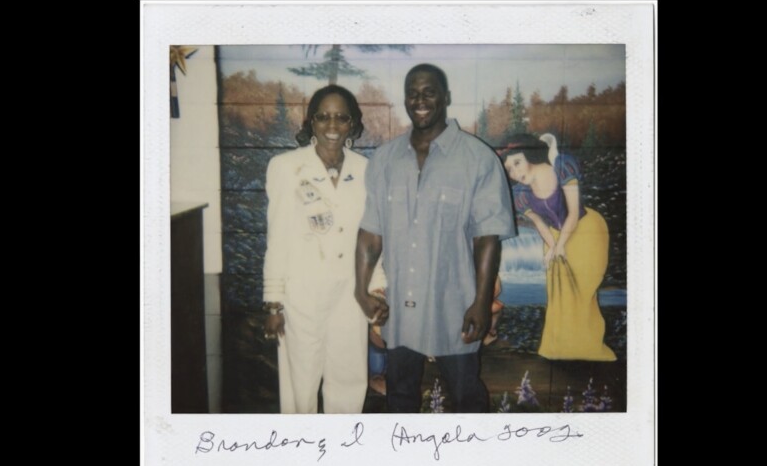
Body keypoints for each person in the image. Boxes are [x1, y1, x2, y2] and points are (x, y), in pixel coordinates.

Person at [355, 64, 516, 413]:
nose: (420, 100)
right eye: (413, 92)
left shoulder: (477, 159)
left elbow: (487, 238)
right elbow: (370, 233)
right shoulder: (384, 160)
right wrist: (360, 290)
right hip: (399, 311)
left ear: (446, 97)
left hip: (454, 306)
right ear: (405, 99)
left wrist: (480, 302)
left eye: (429, 91)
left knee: (466, 396)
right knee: (399, 396)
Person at [263, 85, 386, 413]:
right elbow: (277, 238)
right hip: (301, 294)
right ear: (311, 122)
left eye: (341, 117)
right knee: (300, 384)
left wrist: (376, 288)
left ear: (352, 123)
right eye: (323, 116)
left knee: (349, 380)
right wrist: (274, 304)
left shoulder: (365, 169)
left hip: (350, 292)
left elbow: (372, 235)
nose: (332, 125)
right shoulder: (285, 167)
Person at [501, 133, 616, 361]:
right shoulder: (520, 194)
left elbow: (573, 212)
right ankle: (561, 347)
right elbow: (540, 224)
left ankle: (589, 345)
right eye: (509, 169)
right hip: (553, 236)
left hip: (586, 230)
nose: (515, 172)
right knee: (560, 294)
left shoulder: (562, 166)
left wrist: (561, 245)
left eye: (517, 162)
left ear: (530, 155)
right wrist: (553, 246)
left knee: (583, 290)